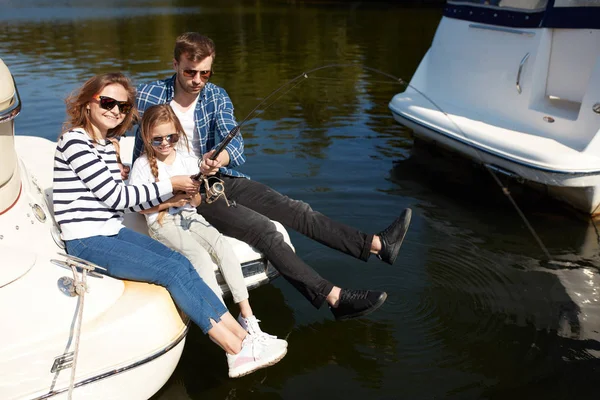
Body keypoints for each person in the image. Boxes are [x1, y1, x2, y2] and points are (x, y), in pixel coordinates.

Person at [133, 32, 412, 321]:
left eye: (205, 73)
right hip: (187, 195)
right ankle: (335, 298)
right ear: (175, 64)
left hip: (218, 177)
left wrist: (217, 158)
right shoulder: (149, 94)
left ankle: (377, 245)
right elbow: (118, 124)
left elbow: (236, 144)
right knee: (265, 231)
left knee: (296, 210)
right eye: (190, 71)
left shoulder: (215, 95)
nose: (198, 80)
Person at [53, 72, 287, 378]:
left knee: (180, 261)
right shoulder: (75, 142)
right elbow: (115, 197)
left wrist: (167, 187)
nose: (115, 111)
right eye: (108, 102)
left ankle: (246, 338)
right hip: (87, 238)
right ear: (87, 102)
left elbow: (121, 198)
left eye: (123, 107)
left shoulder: (106, 144)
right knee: (172, 271)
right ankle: (234, 350)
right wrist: (169, 183)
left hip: (110, 230)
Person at [129, 103, 280, 340]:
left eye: (171, 137)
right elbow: (138, 207)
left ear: (178, 133)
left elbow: (198, 201)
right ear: (147, 137)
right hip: (161, 221)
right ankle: (223, 322)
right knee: (197, 255)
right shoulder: (141, 166)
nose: (165, 143)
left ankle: (247, 316)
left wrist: (195, 194)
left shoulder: (188, 159)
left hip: (191, 216)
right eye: (158, 139)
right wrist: (172, 202)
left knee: (222, 246)